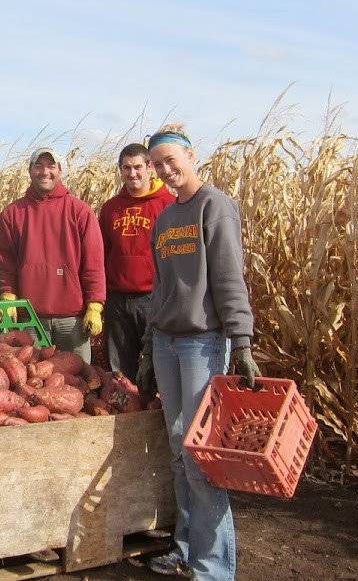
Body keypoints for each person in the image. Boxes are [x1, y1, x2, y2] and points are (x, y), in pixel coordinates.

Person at [146, 124, 261, 580]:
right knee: (178, 449)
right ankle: (186, 549)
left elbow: (231, 280)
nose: (165, 170)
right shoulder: (165, 219)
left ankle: (213, 569)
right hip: (165, 342)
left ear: (192, 155)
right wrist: (147, 342)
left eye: (170, 160)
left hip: (202, 342)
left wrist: (243, 342)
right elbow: (160, 286)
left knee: (201, 454)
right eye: (158, 165)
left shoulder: (214, 207)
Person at [0, 147, 106, 362]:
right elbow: (5, 263)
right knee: (30, 383)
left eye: (51, 166)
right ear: (29, 171)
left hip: (72, 320)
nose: (45, 172)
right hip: (29, 318)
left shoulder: (80, 211)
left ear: (60, 171)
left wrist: (94, 305)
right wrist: (7, 296)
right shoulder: (12, 214)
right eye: (39, 166)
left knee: (79, 385)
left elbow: (94, 263)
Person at [98, 142, 175, 398]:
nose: (133, 174)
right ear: (120, 170)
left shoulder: (167, 205)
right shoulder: (111, 209)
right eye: (127, 168)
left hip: (152, 297)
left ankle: (157, 413)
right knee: (120, 369)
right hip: (117, 299)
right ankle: (127, 416)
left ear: (150, 167)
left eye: (138, 167)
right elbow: (102, 252)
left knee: (159, 362)